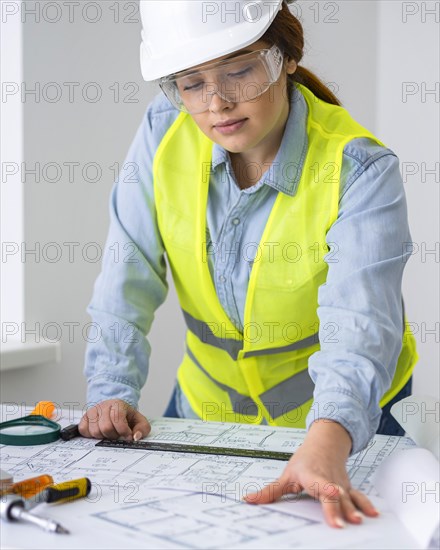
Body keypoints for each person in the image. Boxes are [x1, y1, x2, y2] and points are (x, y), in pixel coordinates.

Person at [78, 0, 418, 528]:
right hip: (204, 411)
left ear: (285, 57)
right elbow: (127, 274)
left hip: (342, 422)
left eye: (239, 70)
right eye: (191, 83)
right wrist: (110, 395)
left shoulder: (360, 169)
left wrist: (327, 439)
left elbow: (361, 326)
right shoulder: (162, 132)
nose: (217, 102)